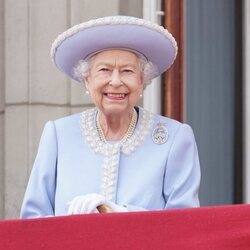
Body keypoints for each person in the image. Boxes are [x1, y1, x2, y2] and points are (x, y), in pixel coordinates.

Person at [20, 15, 201, 218]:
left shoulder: (174, 138)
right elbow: (32, 219)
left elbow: (185, 223)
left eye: (127, 71)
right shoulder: (58, 135)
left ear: (142, 80)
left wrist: (122, 214)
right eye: (104, 70)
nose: (115, 81)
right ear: (87, 80)